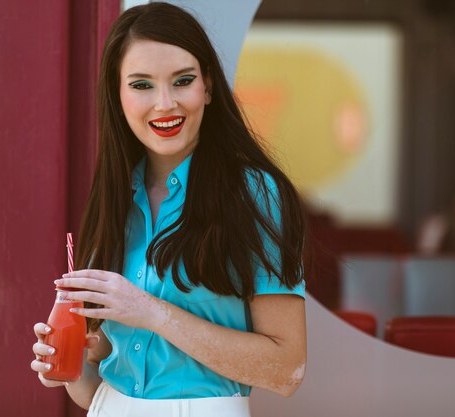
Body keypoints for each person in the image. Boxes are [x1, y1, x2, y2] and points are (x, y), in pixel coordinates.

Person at [30, 3, 307, 416]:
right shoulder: (116, 195)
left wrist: (150, 312)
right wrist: (67, 368)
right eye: (141, 85)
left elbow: (286, 370)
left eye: (183, 81)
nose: (165, 104)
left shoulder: (254, 193)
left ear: (208, 88)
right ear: (117, 94)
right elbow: (100, 386)